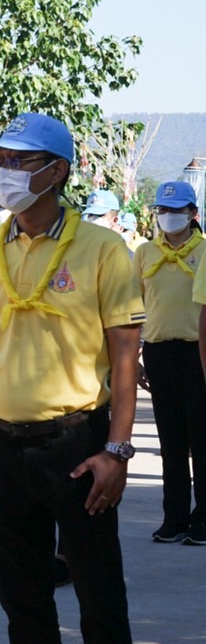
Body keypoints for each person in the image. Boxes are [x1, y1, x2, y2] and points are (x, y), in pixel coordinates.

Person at [0, 112, 142, 644]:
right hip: (3, 446)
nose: (5, 172)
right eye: (1, 160)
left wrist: (116, 449)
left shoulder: (102, 249)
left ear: (57, 171)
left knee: (99, 600)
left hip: (78, 444)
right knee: (23, 605)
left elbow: (126, 353)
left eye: (20, 161)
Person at [136, 181, 206, 544]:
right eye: (162, 211)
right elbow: (135, 307)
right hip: (159, 351)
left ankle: (204, 519)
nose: (168, 217)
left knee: (202, 438)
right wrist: (132, 357)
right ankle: (174, 518)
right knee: (171, 440)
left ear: (193, 214)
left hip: (198, 353)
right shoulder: (146, 252)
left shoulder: (205, 251)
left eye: (176, 210)